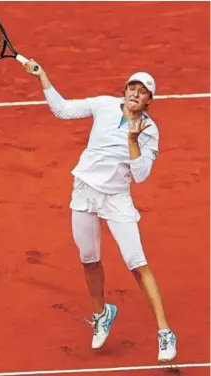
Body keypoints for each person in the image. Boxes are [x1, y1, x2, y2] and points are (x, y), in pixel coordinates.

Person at [22, 59, 177, 362]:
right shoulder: (104, 105)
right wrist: (43, 77)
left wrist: (133, 141)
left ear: (149, 101)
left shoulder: (149, 130)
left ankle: (164, 332)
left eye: (143, 91)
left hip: (117, 198)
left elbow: (142, 175)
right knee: (89, 259)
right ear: (124, 91)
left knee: (137, 263)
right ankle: (101, 313)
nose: (135, 93)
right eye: (132, 87)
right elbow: (63, 110)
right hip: (84, 191)